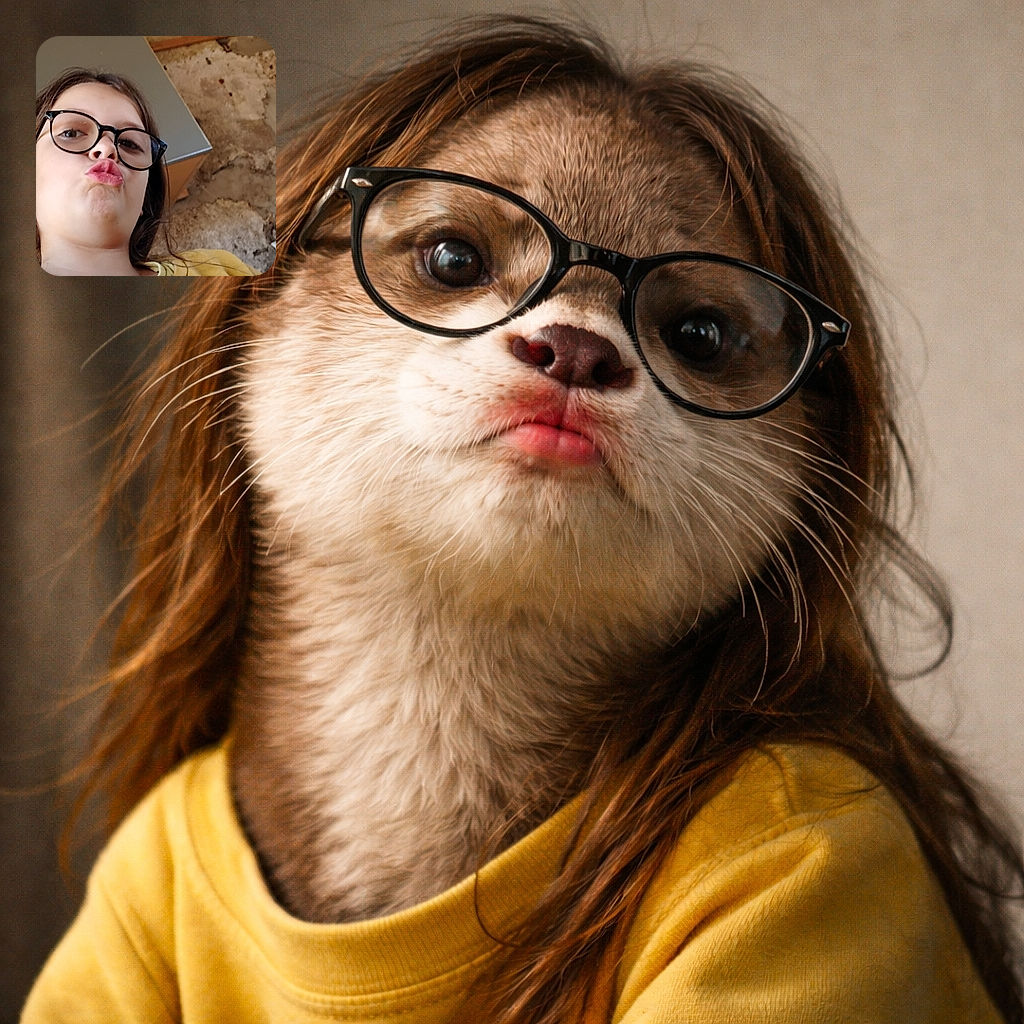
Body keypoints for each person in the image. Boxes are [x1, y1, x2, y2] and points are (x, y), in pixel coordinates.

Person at [23, 18, 1024, 1024]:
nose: (576, 338)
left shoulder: (795, 864)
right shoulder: (166, 865)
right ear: (257, 317)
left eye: (698, 334)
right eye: (454, 259)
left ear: (812, 478)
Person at [35, 67, 255, 276]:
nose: (107, 148)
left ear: (145, 198)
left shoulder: (217, 266)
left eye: (130, 144)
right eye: (72, 133)